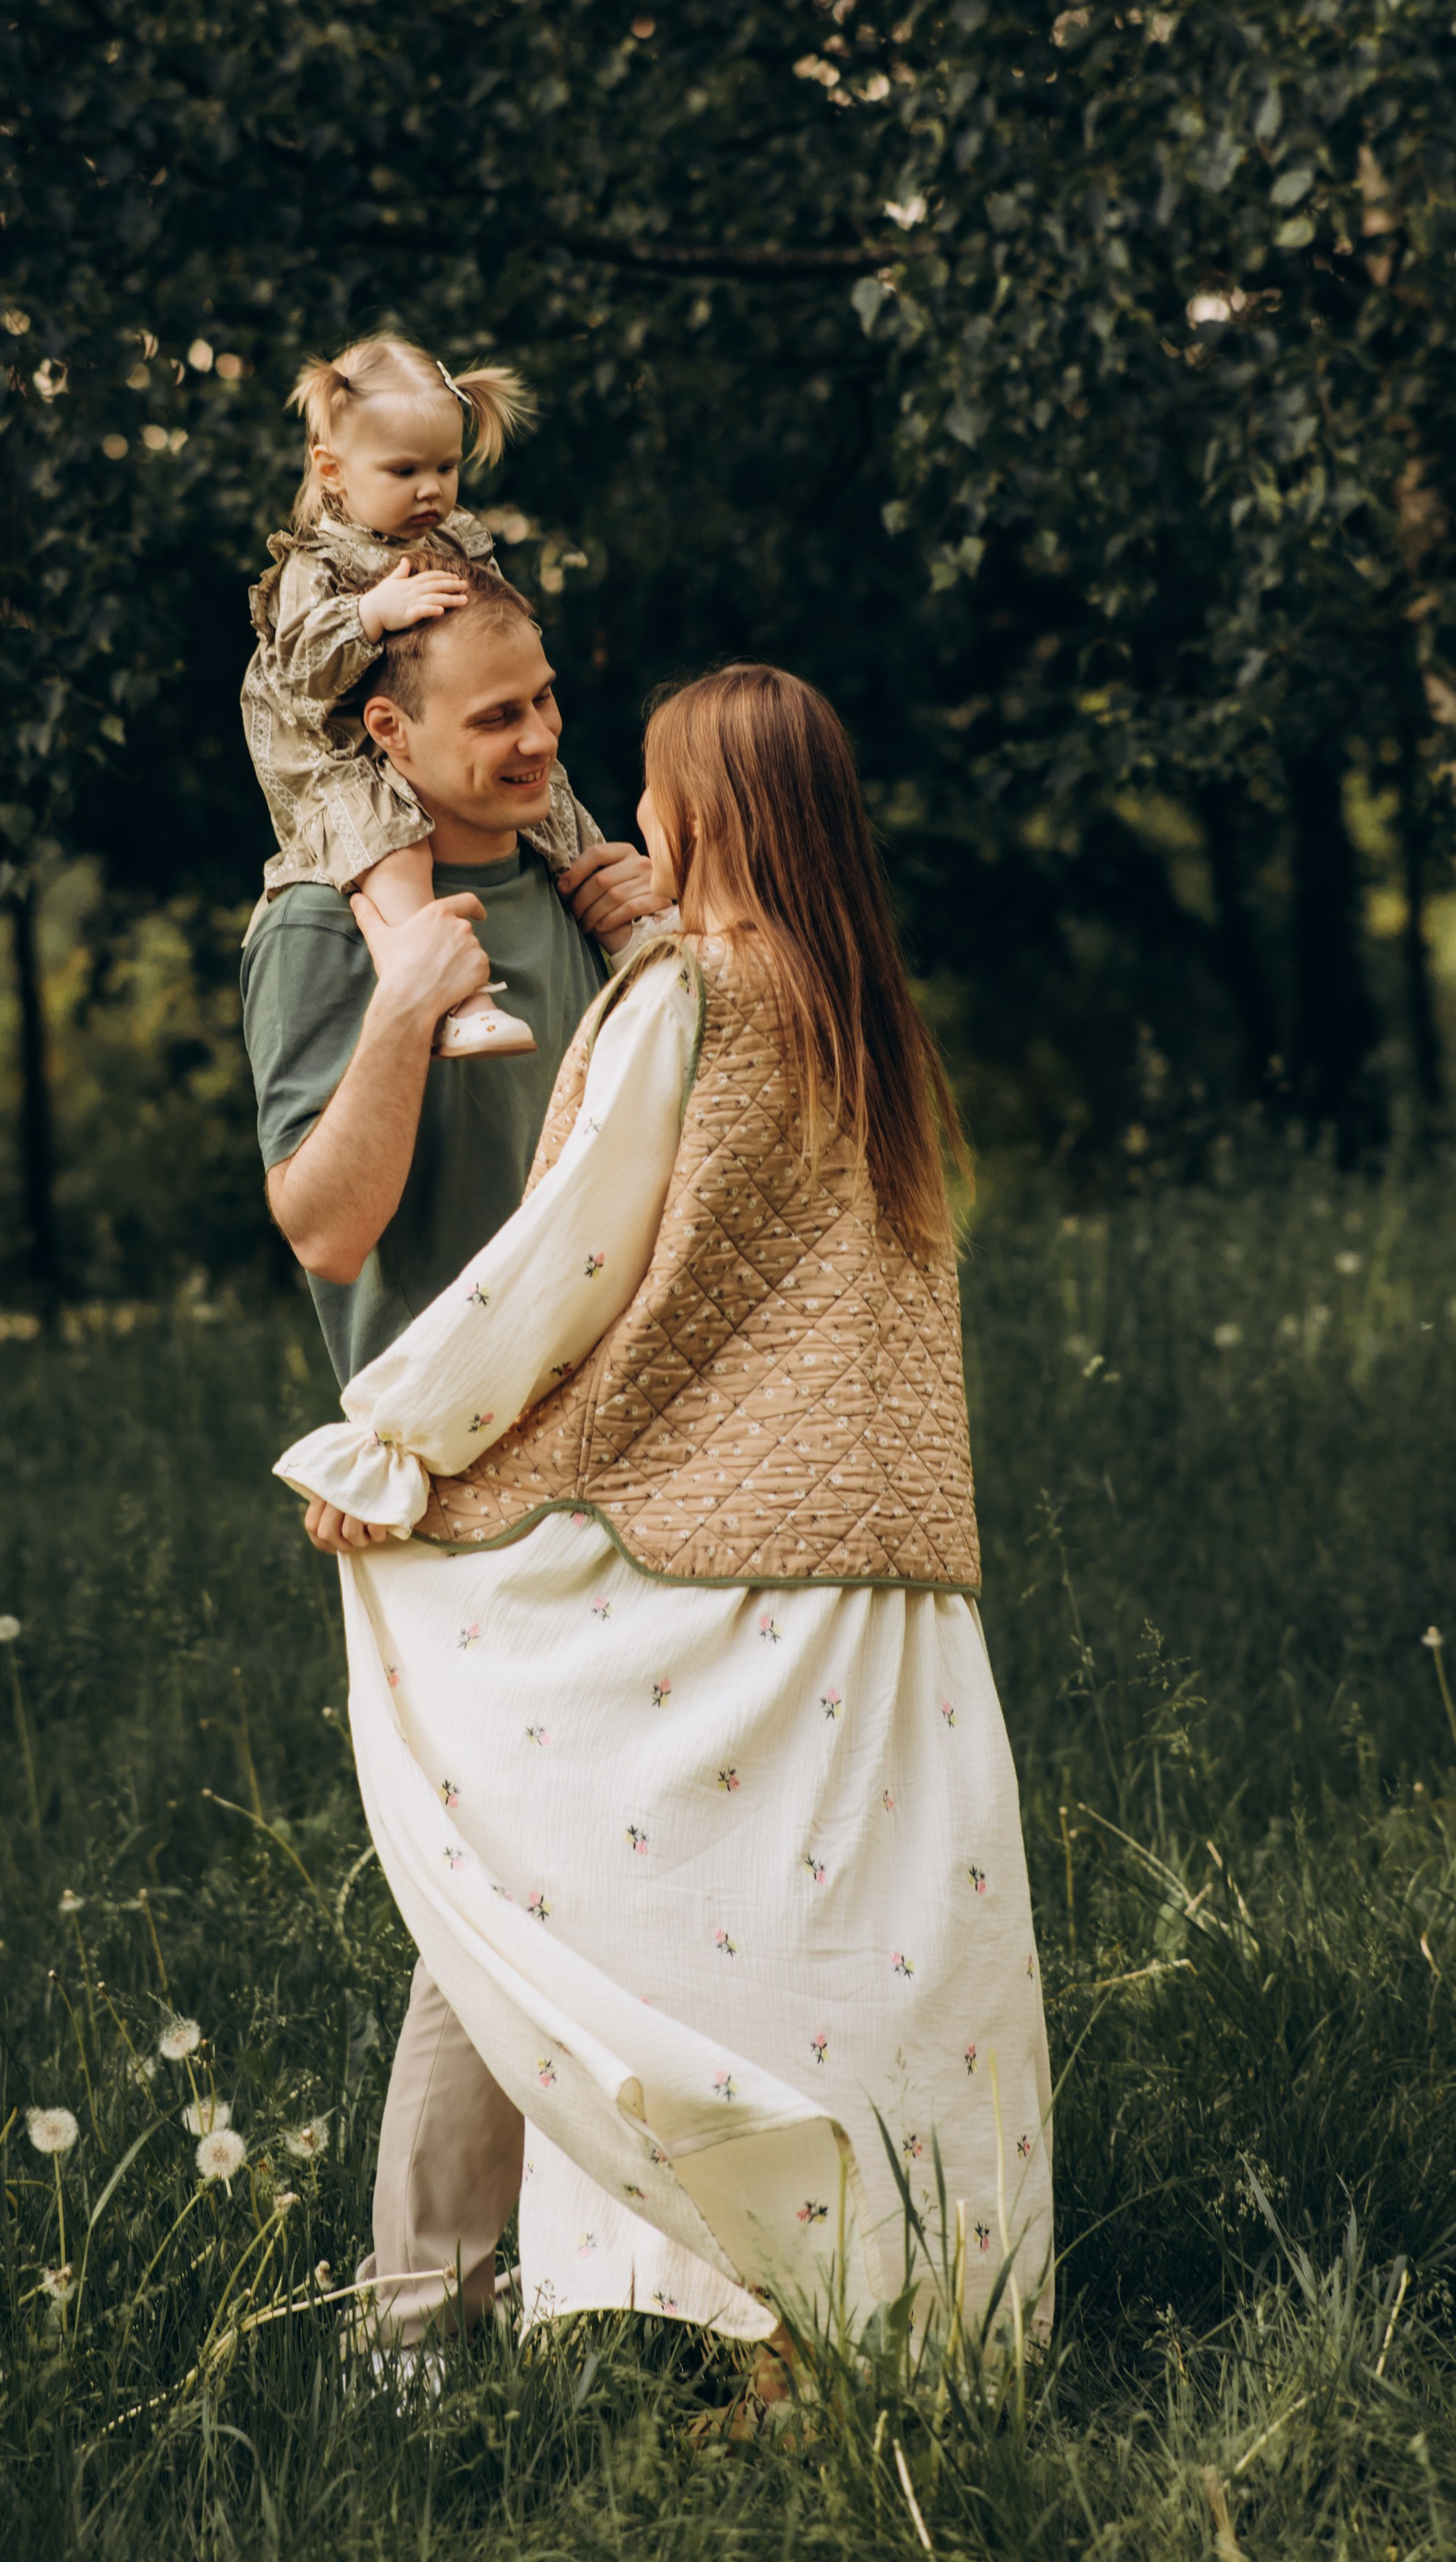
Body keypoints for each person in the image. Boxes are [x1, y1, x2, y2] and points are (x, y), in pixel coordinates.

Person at [278, 664, 1054, 2405]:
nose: (623, 808)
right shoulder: (861, 1010)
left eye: (647, 784)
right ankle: (895, 2339)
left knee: (567, 1879)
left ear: (697, 811)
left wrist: (397, 1444)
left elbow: (571, 1259)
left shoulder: (688, 997)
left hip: (727, 1548)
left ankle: (500, 2317)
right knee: (854, 1962)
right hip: (895, 1567)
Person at [240, 556, 660, 2345]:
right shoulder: (321, 929)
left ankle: (603, 2284)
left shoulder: (570, 885)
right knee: (507, 1890)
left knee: (616, 1868)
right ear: (386, 737)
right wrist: (409, 1002)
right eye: (496, 716)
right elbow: (325, 1226)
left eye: (548, 699)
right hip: (454, 1487)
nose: (540, 736)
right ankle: (419, 2328)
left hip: (638, 1449)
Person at [242, 328, 603, 1057]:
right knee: (393, 845)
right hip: (331, 750)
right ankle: (455, 998)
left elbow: (493, 624)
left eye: (446, 466)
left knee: (562, 812)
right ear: (332, 469)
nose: (431, 488)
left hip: (415, 735)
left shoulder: (457, 537)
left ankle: (634, 942)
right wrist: (369, 615)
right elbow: (300, 671)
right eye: (404, 470)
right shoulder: (316, 566)